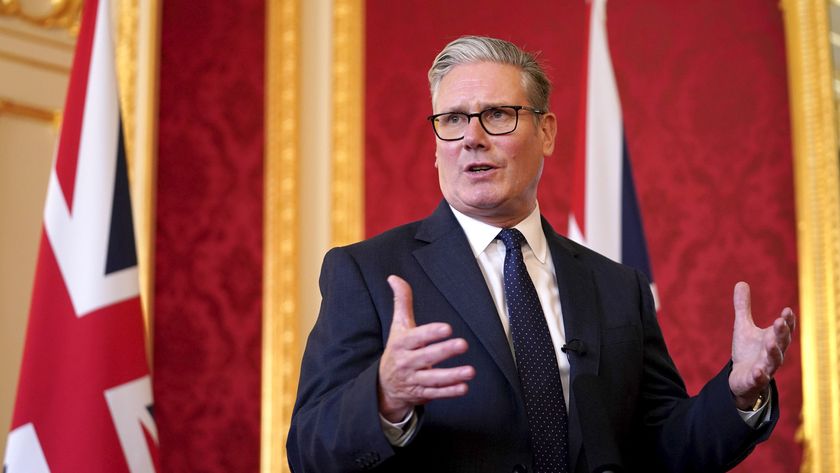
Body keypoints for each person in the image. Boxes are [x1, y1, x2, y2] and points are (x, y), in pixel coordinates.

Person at [286, 35, 796, 473]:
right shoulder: (369, 272)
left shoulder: (618, 286)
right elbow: (308, 450)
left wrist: (738, 394)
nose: (472, 138)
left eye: (498, 115)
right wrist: (384, 398)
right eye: (453, 119)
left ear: (546, 132)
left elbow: (664, 446)